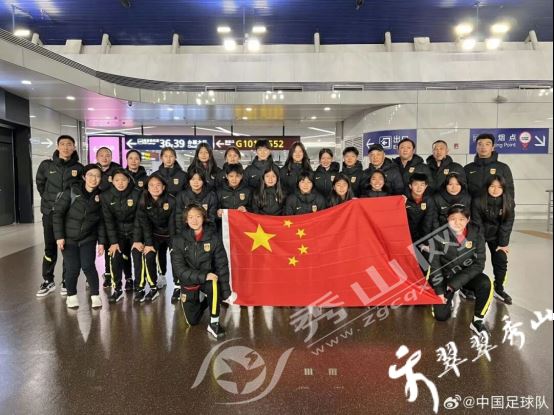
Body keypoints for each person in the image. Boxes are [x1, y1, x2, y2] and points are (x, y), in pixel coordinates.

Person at [429, 204, 493, 336]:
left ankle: (477, 321)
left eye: (461, 219)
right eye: (453, 219)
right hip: (446, 276)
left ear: (468, 220)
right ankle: (446, 296)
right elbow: (435, 266)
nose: (457, 223)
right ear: (447, 219)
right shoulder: (438, 235)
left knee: (485, 283)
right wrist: (439, 290)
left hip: (466, 275)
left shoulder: (477, 234)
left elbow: (479, 264)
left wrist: (453, 285)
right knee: (441, 316)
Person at [171, 204, 231, 338]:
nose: (195, 220)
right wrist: (204, 275)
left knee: (214, 284)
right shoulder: (178, 240)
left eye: (198, 216)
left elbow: (222, 265)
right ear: (186, 220)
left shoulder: (214, 238)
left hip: (208, 280)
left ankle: (214, 323)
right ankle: (204, 300)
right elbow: (180, 271)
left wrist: (226, 292)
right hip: (190, 281)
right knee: (192, 321)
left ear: (203, 218)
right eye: (191, 217)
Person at [35, 135, 84, 297]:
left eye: (69, 144)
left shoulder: (79, 168)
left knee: (67, 248)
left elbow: (81, 190)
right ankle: (48, 280)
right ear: (57, 146)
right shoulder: (46, 165)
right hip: (50, 213)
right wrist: (50, 200)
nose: (65, 147)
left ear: (74, 147)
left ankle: (66, 281)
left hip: (70, 215)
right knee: (50, 247)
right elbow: (40, 184)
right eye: (62, 144)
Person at [52, 164, 106, 309]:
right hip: (68, 238)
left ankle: (95, 295)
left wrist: (101, 242)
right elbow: (57, 215)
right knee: (73, 268)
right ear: (83, 177)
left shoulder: (101, 197)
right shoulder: (71, 192)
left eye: (97, 176)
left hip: (88, 238)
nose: (94, 179)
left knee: (88, 266)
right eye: (90, 175)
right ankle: (71, 296)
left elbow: (101, 222)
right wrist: (59, 236)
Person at [471, 175, 516, 305]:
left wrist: (503, 243)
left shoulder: (508, 202)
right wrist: (479, 244)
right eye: (492, 186)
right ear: (487, 187)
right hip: (480, 234)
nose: (495, 190)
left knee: (501, 260)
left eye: (499, 187)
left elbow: (507, 223)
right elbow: (477, 223)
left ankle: (499, 288)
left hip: (497, 235)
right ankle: (470, 288)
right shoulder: (478, 201)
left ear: (503, 188)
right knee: (476, 260)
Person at [101, 168, 143, 302]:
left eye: (123, 180)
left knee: (137, 256)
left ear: (128, 180)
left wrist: (137, 239)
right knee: (115, 256)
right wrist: (113, 242)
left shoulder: (137, 193)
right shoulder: (106, 196)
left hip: (135, 230)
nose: (120, 183)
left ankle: (139, 288)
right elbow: (108, 221)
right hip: (117, 232)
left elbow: (139, 218)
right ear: (112, 181)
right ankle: (117, 289)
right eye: (117, 180)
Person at [134, 173, 176, 303]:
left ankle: (178, 286)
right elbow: (144, 224)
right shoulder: (143, 200)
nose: (155, 188)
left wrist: (174, 243)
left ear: (163, 187)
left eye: (158, 185)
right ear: (147, 187)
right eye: (151, 185)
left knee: (176, 255)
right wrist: (148, 243)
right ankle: (153, 287)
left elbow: (173, 223)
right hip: (154, 234)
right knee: (149, 254)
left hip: (170, 233)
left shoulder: (171, 200)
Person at [96, 146, 122, 288]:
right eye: (102, 155)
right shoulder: (93, 170)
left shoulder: (117, 170)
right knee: (100, 244)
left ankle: (112, 274)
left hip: (113, 212)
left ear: (111, 157)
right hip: (96, 212)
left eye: (107, 155)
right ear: (97, 157)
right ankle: (104, 273)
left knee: (112, 244)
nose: (105, 158)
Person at [464, 133, 515, 199]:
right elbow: (463, 191)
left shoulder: (503, 168)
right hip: (473, 205)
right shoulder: (467, 168)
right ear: (476, 147)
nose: (483, 147)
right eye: (480, 144)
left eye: (487, 144)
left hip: (495, 205)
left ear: (492, 148)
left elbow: (509, 191)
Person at [175, 168, 218, 233]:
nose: (196, 182)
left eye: (199, 179)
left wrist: (207, 234)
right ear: (189, 181)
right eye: (193, 179)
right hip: (186, 232)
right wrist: (182, 234)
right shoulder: (181, 195)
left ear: (203, 181)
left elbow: (212, 219)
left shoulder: (211, 196)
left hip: (205, 232)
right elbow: (179, 217)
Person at [405, 173, 436, 244]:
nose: (419, 188)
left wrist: (425, 242)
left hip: (422, 235)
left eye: (422, 185)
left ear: (426, 186)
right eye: (416, 184)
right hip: (407, 235)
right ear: (410, 186)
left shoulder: (429, 200)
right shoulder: (404, 199)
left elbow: (427, 223)